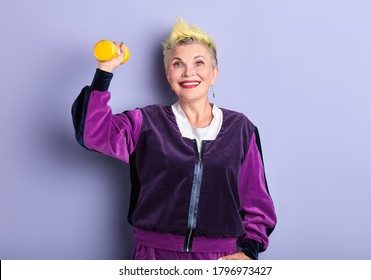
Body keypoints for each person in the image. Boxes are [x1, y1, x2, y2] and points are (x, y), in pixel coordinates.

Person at [72, 19, 276, 260]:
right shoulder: (146, 122)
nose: (189, 72)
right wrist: (105, 71)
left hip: (220, 258)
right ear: (168, 75)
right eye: (178, 64)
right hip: (155, 256)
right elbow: (92, 133)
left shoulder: (241, 129)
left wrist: (250, 251)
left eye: (199, 63)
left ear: (214, 74)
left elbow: (257, 200)